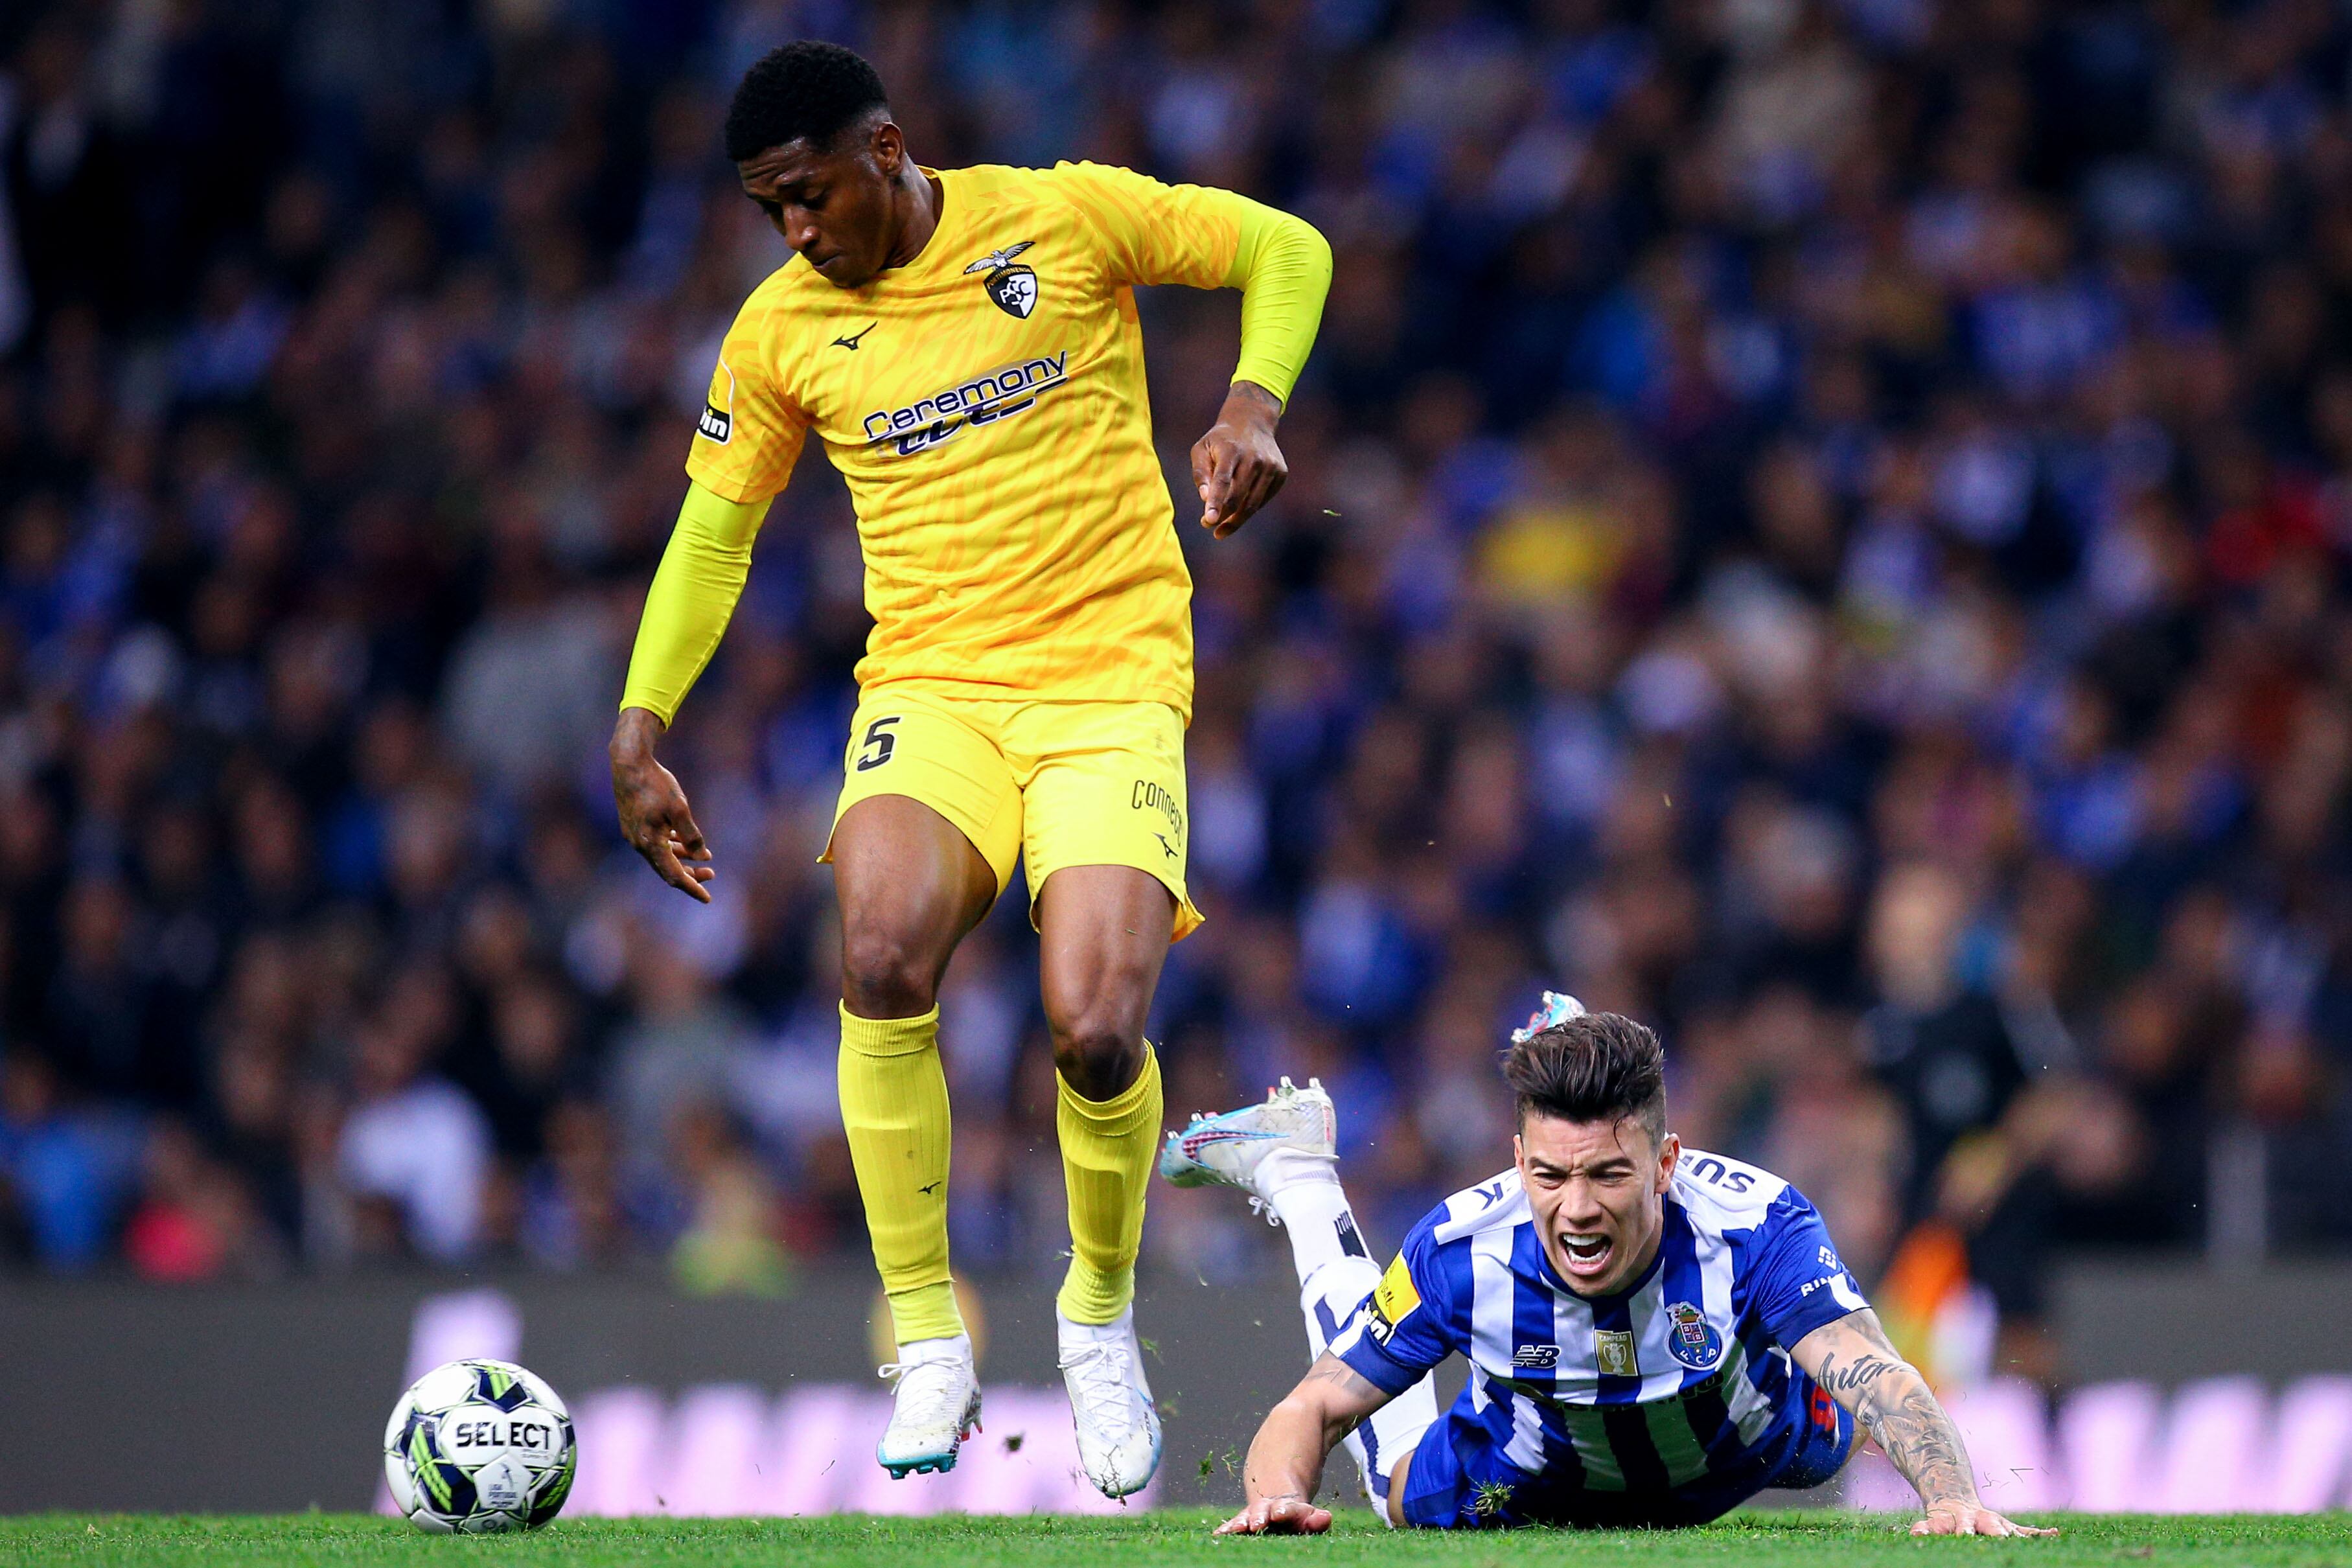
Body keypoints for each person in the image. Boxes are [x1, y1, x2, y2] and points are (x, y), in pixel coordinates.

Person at [608, 41, 1330, 1498]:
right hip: (932, 686)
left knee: (1093, 1031)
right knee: (878, 952)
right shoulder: (781, 331)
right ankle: (930, 1332)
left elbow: (1286, 246)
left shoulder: (1061, 221)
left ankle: (1097, 1315)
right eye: (770, 214)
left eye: (810, 196)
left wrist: (1252, 401)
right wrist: (641, 723)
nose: (799, 234)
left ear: (884, 150)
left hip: (1110, 681)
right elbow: (712, 535)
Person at [1162, 994, 2058, 1536]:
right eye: (1549, 1175)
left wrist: (1949, 1495)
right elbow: (1312, 1406)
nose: (1578, 1208)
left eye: (1608, 1174)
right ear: (1516, 1162)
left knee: (1832, 1438)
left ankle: (1570, 1035)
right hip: (1529, 1477)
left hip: (1752, 1448)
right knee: (1388, 1494)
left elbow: (1872, 1369)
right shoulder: (1460, 1247)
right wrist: (1274, 1499)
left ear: (1666, 1162)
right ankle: (1298, 1173)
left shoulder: (1755, 1221)